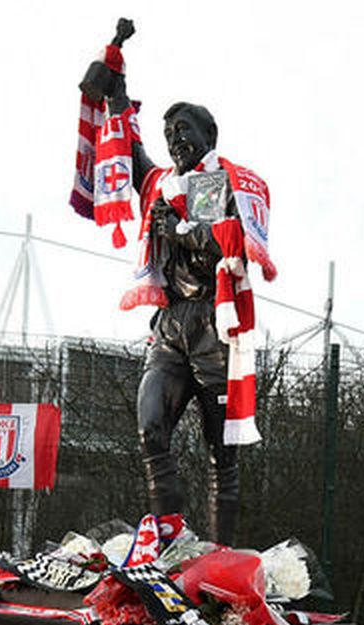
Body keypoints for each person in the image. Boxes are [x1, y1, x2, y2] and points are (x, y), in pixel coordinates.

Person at [80, 28, 270, 546]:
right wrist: (117, 93)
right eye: (171, 135)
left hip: (213, 325)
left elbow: (221, 250)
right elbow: (131, 153)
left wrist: (181, 230)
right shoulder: (163, 183)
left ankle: (220, 556)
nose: (176, 141)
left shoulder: (214, 183)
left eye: (184, 131)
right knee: (150, 428)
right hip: (169, 326)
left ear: (208, 136)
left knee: (220, 451)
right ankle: (168, 537)